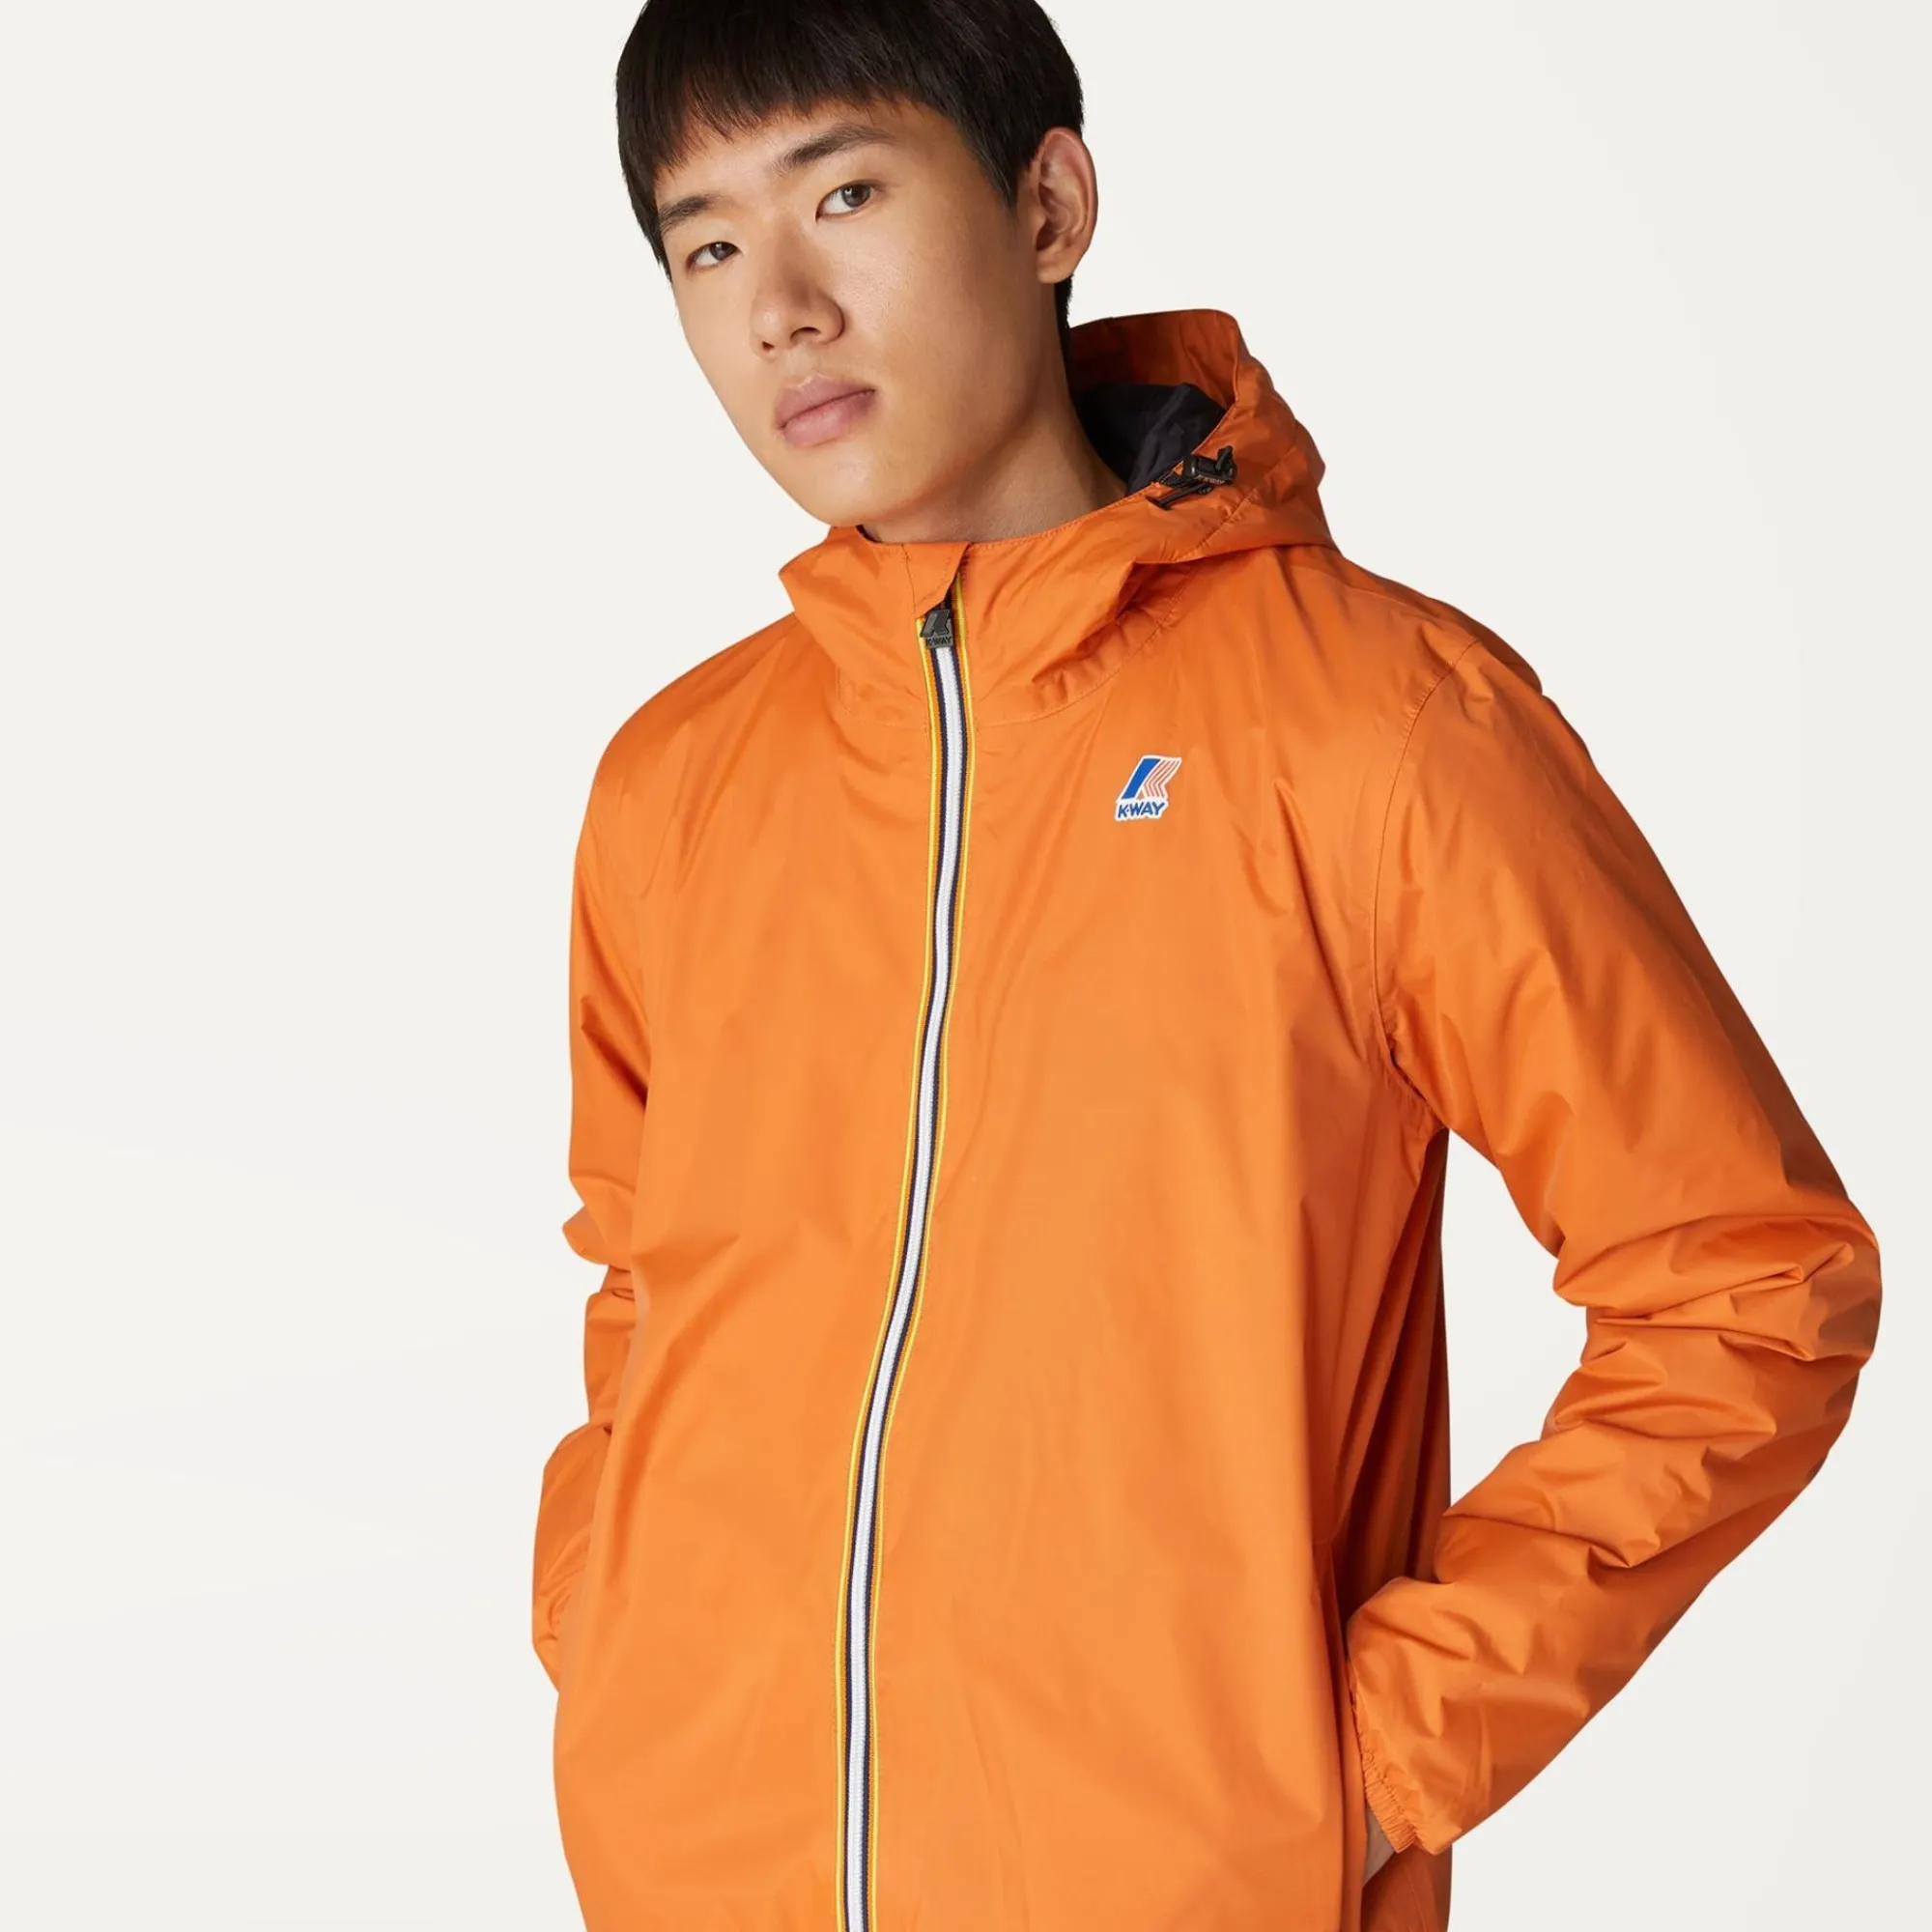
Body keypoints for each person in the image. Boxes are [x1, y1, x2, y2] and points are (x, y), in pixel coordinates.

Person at [529, 4, 1883, 1928]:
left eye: (844, 196)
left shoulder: (1382, 728)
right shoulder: (678, 783)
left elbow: (1745, 1281)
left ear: (1049, 204)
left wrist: (1373, 1760)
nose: (781, 310)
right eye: (709, 244)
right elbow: (645, 1283)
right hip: (690, 1879)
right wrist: (617, 1643)